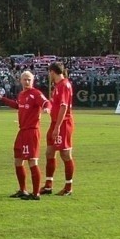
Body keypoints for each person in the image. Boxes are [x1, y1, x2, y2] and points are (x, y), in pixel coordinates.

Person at [0, 70, 50, 200]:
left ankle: (36, 193)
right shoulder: (22, 94)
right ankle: (22, 190)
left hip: (32, 131)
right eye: (25, 79)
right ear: (20, 80)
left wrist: (47, 108)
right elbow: (17, 105)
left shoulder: (36, 93)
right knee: (18, 160)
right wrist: (2, 99)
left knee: (32, 161)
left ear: (33, 80)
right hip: (22, 131)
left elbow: (46, 102)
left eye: (29, 79)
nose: (27, 81)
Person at [42, 62, 76, 196]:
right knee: (49, 152)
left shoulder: (64, 85)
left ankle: (68, 187)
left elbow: (64, 107)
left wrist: (57, 127)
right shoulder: (58, 86)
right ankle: (48, 186)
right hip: (54, 122)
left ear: (52, 72)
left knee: (65, 154)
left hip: (63, 124)